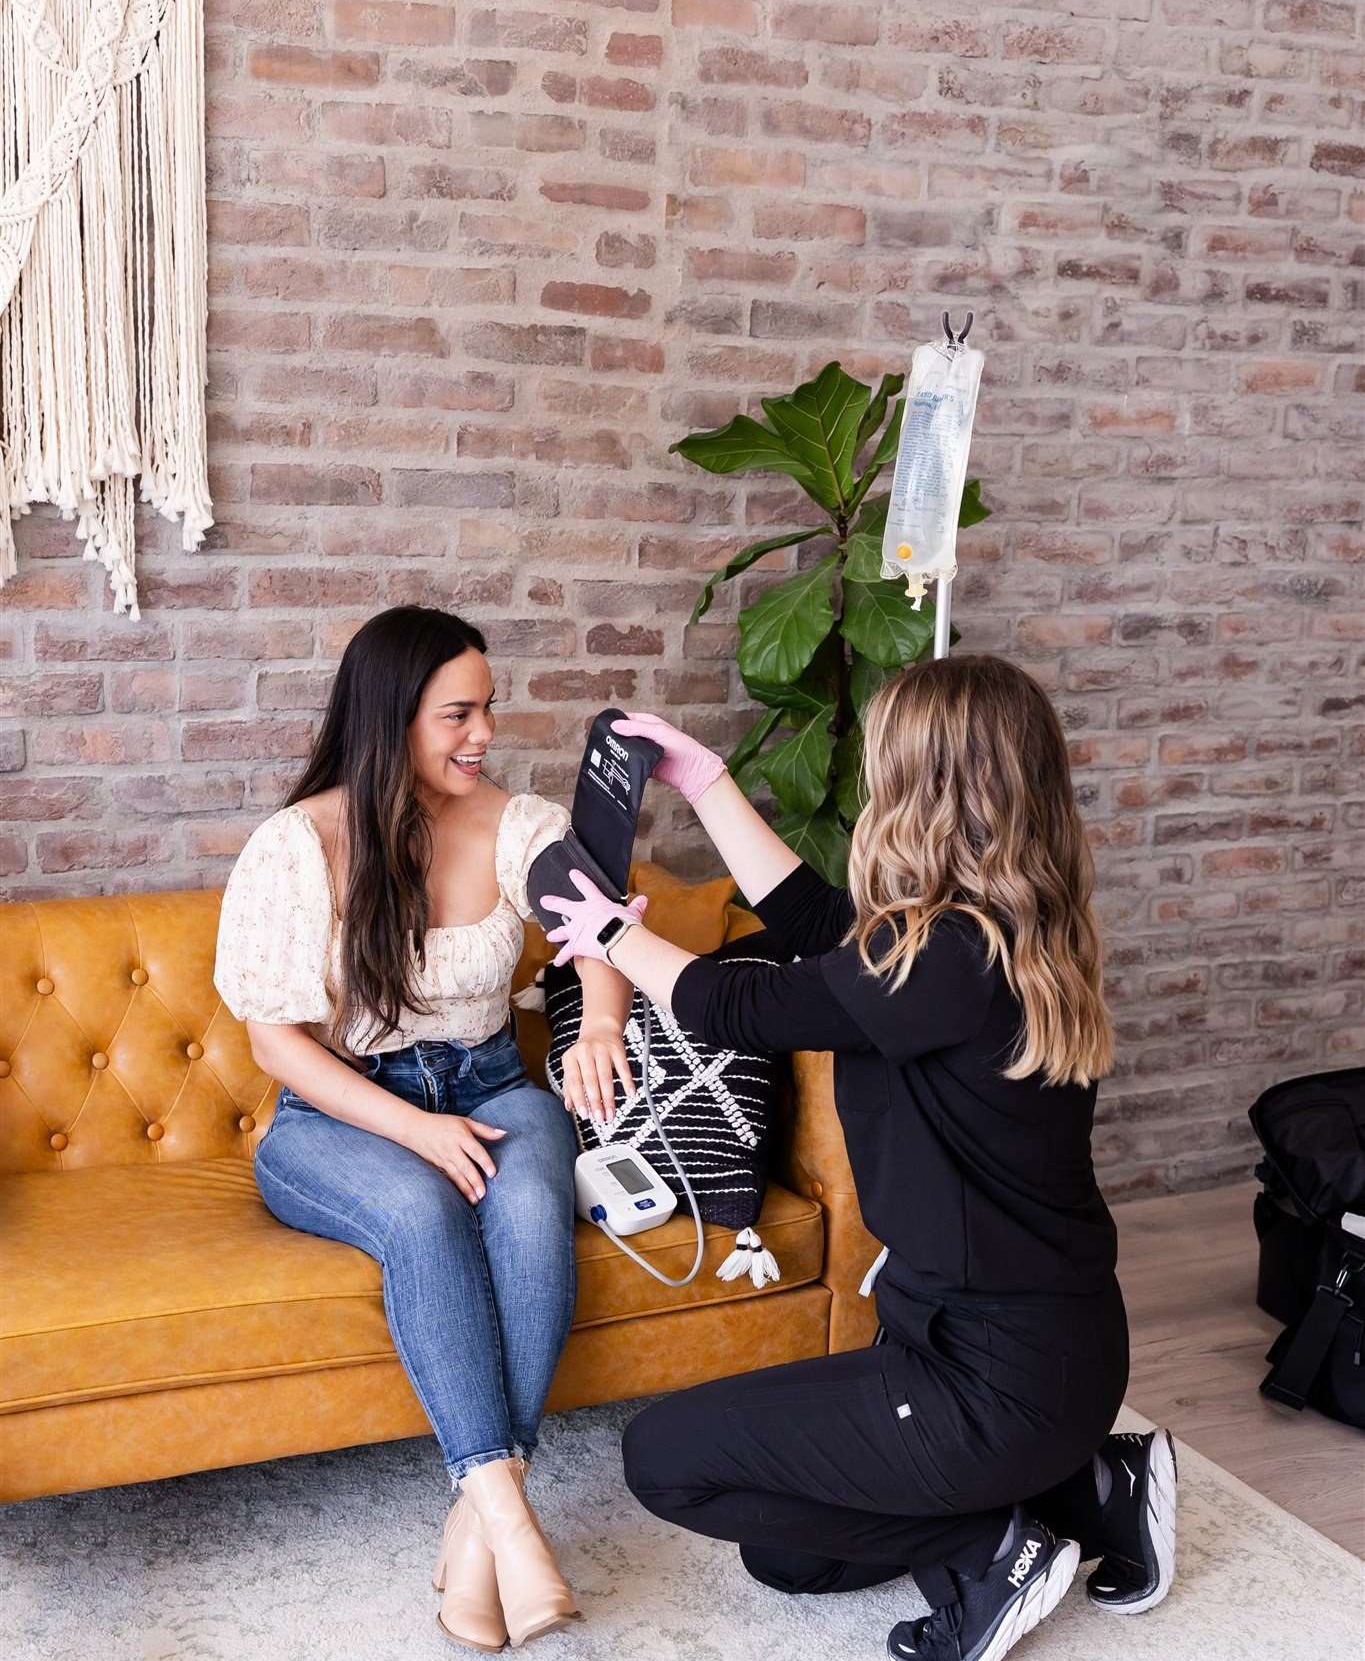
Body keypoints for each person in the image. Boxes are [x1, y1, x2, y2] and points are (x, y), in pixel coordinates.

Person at [539, 656, 1179, 1661]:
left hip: (995, 1383)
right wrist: (705, 781)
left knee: (664, 1460)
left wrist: (612, 936)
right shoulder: (991, 931)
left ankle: (993, 1551)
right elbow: (812, 924)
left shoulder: (949, 955)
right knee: (788, 1554)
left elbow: (738, 1006)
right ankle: (1095, 1489)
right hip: (1024, 1354)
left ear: (923, 786)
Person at [214, 606, 638, 1652]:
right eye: (458, 713)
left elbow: (599, 934)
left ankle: (479, 1527)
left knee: (530, 1206)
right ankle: (515, 1527)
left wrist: (602, 1022)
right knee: (423, 1210)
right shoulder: (299, 844)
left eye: (488, 706)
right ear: (391, 716)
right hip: (340, 1111)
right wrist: (413, 1128)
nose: (484, 731)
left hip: (493, 1083)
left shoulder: (519, 823)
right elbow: (276, 1044)